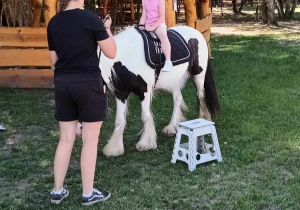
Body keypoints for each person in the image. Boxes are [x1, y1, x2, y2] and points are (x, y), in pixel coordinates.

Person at [47, 0, 117, 206]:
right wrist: (106, 29)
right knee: (90, 141)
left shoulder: (53, 23)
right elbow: (111, 52)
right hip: (89, 85)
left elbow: (53, 62)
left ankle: (57, 191)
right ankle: (88, 193)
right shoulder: (91, 20)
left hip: (62, 83)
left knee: (65, 139)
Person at [139, 0, 173, 72]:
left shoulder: (160, 0)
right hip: (148, 25)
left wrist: (152, 28)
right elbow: (144, 16)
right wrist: (141, 26)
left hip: (158, 24)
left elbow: (162, 17)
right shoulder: (144, 0)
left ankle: (168, 62)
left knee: (163, 36)